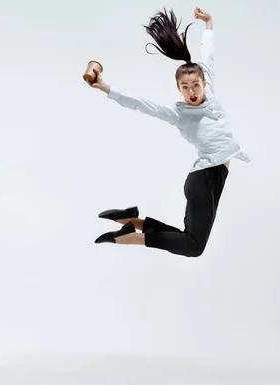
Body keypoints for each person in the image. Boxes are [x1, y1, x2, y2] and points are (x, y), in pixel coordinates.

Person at [90, 7, 250, 258]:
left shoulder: (210, 92)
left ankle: (131, 220)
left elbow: (208, 56)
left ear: (204, 82)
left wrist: (209, 25)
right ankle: (130, 238)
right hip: (205, 177)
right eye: (185, 87)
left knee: (187, 237)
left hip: (213, 178)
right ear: (178, 88)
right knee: (193, 247)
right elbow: (141, 104)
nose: (191, 91)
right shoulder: (179, 114)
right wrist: (106, 88)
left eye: (195, 85)